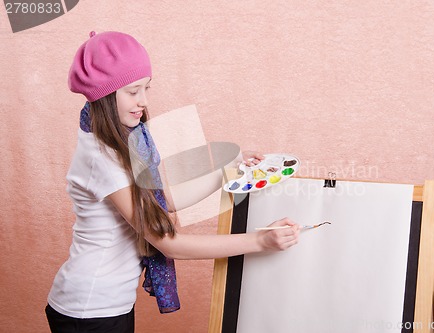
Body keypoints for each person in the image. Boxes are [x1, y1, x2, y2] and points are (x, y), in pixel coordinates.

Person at [45, 31, 300, 332]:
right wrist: (259, 241)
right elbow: (168, 244)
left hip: (102, 305)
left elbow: (158, 200)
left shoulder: (115, 140)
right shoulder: (103, 158)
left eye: (146, 88)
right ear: (105, 93)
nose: (143, 101)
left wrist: (225, 172)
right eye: (133, 91)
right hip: (90, 310)